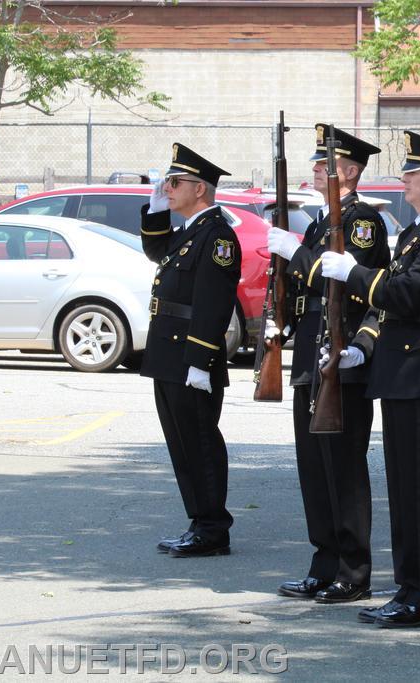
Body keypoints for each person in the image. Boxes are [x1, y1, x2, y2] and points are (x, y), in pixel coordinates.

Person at [318, 131, 420, 628]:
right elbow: (395, 300)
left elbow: (406, 295)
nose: (404, 177)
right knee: (404, 489)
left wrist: (354, 275)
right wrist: (361, 345)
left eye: (414, 170)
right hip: (403, 369)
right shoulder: (417, 231)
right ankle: (410, 589)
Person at [265, 125, 390, 603]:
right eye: (317, 162)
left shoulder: (361, 223)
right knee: (313, 468)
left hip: (343, 356)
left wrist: (294, 253)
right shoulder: (321, 223)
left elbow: (345, 283)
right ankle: (323, 562)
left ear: (351, 172)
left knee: (344, 467)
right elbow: (307, 291)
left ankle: (353, 571)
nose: (316, 169)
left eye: (326, 163)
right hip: (309, 355)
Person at [142, 143, 240, 558]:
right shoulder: (191, 230)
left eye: (174, 183)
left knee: (199, 441)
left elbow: (214, 304)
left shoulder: (217, 236)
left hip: (189, 356)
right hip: (168, 353)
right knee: (181, 443)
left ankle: (213, 527)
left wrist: (200, 361)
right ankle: (199, 521)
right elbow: (156, 252)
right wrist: (156, 211)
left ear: (199, 189)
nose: (169, 187)